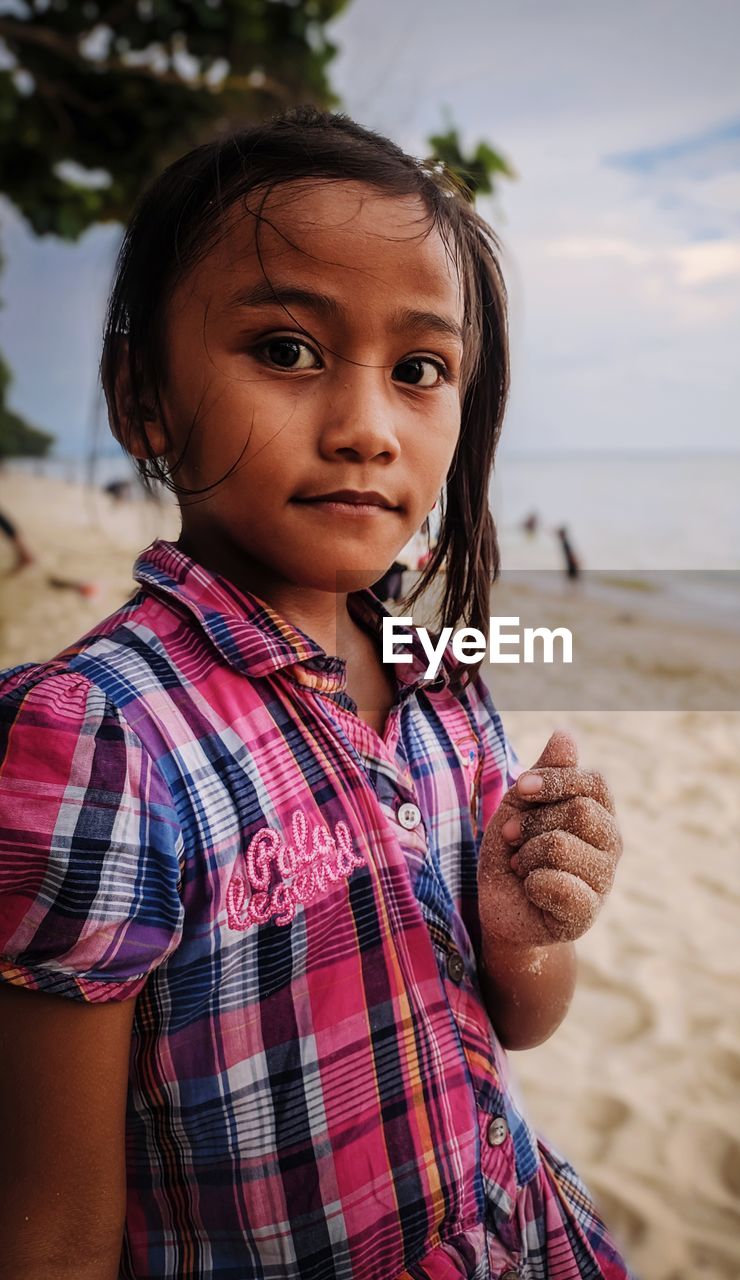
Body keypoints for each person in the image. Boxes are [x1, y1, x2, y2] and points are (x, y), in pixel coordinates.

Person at [0, 109, 634, 1280]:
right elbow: (51, 1226)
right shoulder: (100, 737)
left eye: (419, 370)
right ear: (145, 397)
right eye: (287, 349)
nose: (365, 428)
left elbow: (521, 1018)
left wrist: (520, 928)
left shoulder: (441, 683)